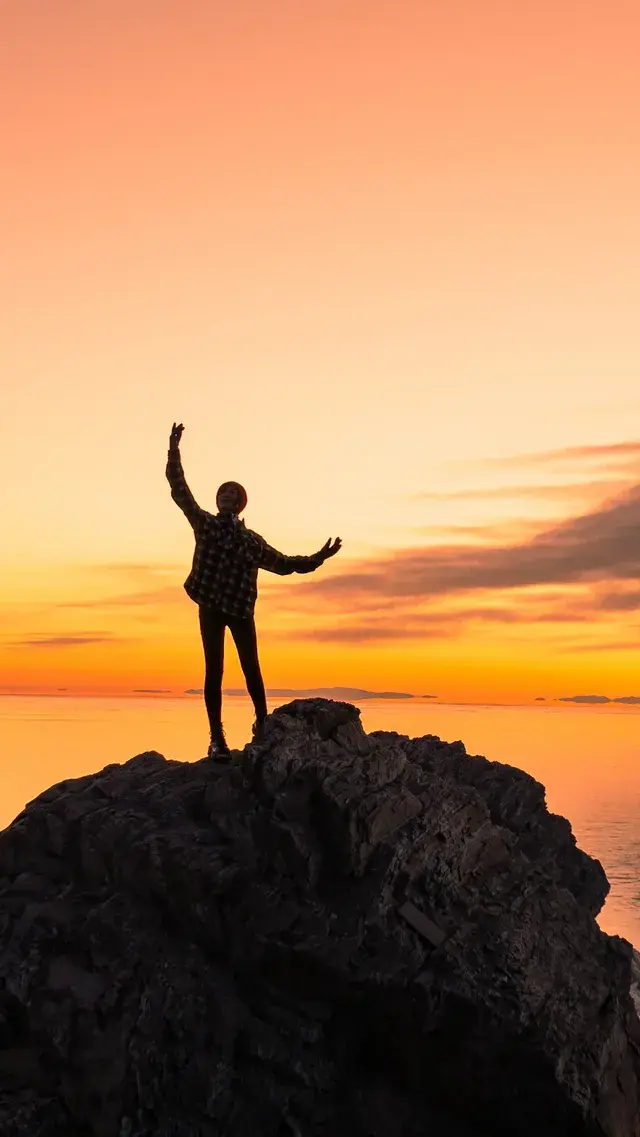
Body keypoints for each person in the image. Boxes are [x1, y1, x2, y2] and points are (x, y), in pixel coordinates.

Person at [166, 422, 342, 759]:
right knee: (213, 671)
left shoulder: (251, 542)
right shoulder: (205, 525)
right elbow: (179, 489)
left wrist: (320, 557)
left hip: (241, 610)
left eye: (232, 495)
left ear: (241, 504)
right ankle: (217, 739)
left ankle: (263, 726)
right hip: (211, 606)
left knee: (252, 669)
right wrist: (174, 449)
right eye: (222, 493)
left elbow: (286, 563)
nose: (225, 497)